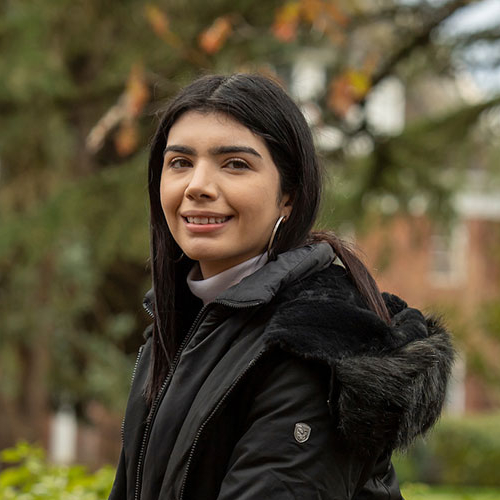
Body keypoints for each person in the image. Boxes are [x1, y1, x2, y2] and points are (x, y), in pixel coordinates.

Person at [109, 73, 454, 500]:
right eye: (180, 162)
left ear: (288, 195)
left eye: (235, 163)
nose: (197, 186)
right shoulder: (177, 328)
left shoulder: (312, 343)